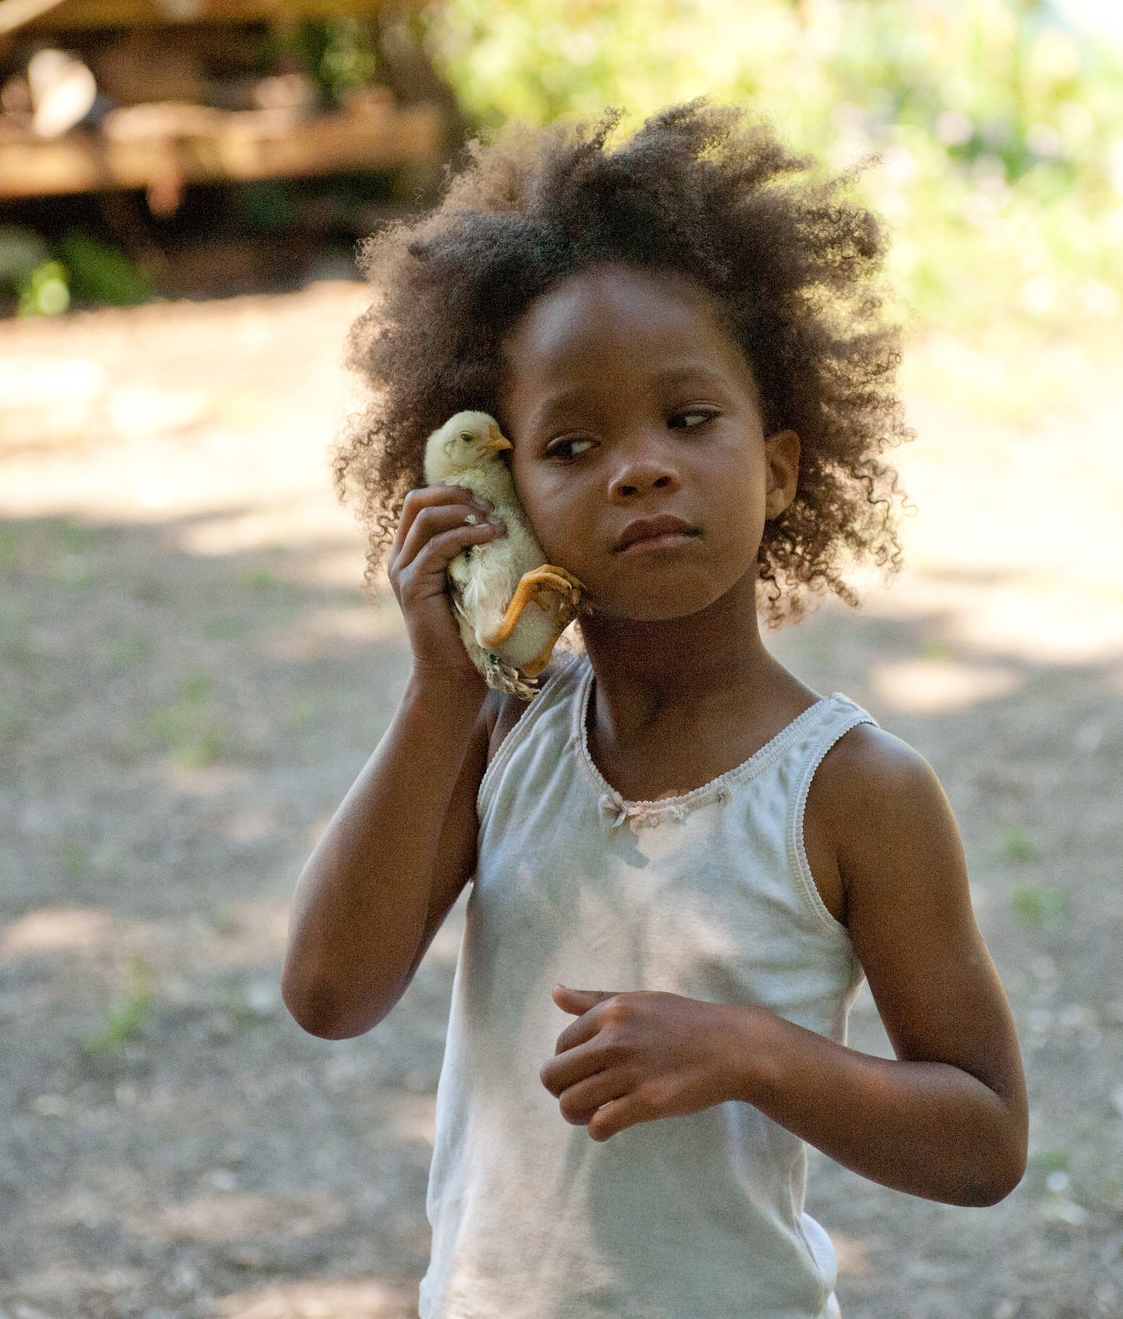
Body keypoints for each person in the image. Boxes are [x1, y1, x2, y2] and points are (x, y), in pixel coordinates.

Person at [282, 101, 1026, 1319]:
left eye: (688, 420)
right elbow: (328, 994)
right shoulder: (494, 732)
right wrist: (439, 687)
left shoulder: (850, 790)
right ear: (498, 487)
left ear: (780, 465)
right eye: (571, 443)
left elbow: (983, 1136)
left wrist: (747, 1051)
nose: (639, 466)